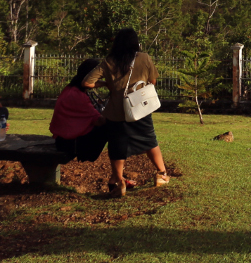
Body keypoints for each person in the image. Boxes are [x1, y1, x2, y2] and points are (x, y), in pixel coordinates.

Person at [91, 28, 169, 196]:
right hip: (140, 109)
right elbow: (153, 81)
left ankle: (117, 181)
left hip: (116, 111)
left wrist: (107, 84)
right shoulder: (144, 58)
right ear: (135, 43)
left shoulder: (109, 61)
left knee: (117, 145)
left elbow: (88, 82)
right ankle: (161, 174)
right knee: (149, 140)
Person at [49, 57, 108, 162]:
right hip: (71, 144)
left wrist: (106, 83)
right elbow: (99, 121)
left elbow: (90, 83)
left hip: (62, 141)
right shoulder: (78, 96)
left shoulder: (71, 89)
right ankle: (117, 166)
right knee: (112, 126)